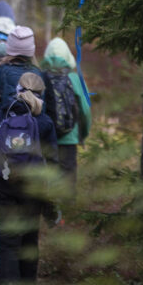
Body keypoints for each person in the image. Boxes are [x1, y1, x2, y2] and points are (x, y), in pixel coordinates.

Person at [0, 74, 58, 285]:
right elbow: (52, 160)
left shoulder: (2, 115)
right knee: (29, 241)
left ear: (16, 90)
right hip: (33, 189)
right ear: (42, 93)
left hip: (4, 185)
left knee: (7, 241)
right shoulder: (45, 122)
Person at [40, 37, 92, 198]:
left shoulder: (40, 77)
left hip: (47, 138)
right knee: (68, 177)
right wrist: (82, 134)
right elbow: (84, 110)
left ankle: (51, 213)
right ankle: (67, 215)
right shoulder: (74, 79)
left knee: (48, 176)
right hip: (69, 138)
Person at [0, 26, 43, 114]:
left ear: (9, 46)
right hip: (34, 124)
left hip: (8, 123)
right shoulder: (38, 72)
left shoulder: (0, 70)